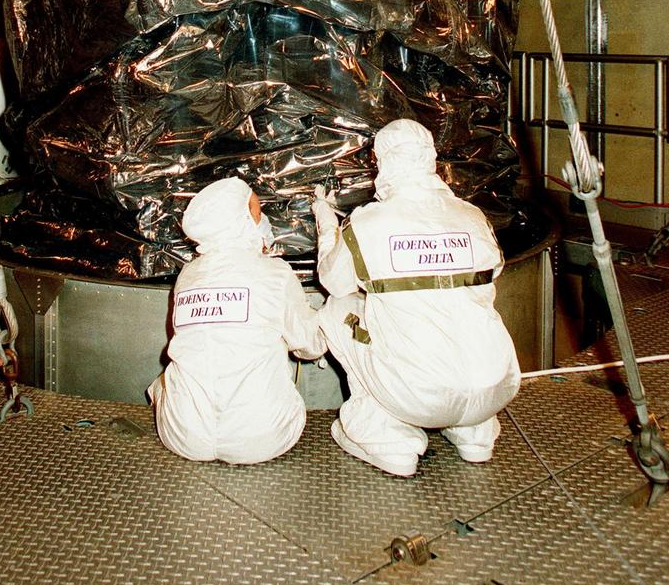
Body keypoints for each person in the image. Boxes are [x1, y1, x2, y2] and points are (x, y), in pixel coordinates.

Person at [312, 118, 520, 478]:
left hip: (418, 393)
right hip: (496, 385)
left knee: (339, 310)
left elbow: (334, 281)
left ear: (383, 161)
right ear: (431, 160)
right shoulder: (473, 216)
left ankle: (388, 436)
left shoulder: (369, 223)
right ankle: (474, 432)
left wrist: (326, 222)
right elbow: (492, 272)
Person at [148, 176, 326, 464]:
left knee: (169, 377)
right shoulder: (275, 273)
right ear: (241, 221)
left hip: (181, 436)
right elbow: (311, 346)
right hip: (262, 440)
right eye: (256, 211)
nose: (263, 219)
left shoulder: (188, 275)